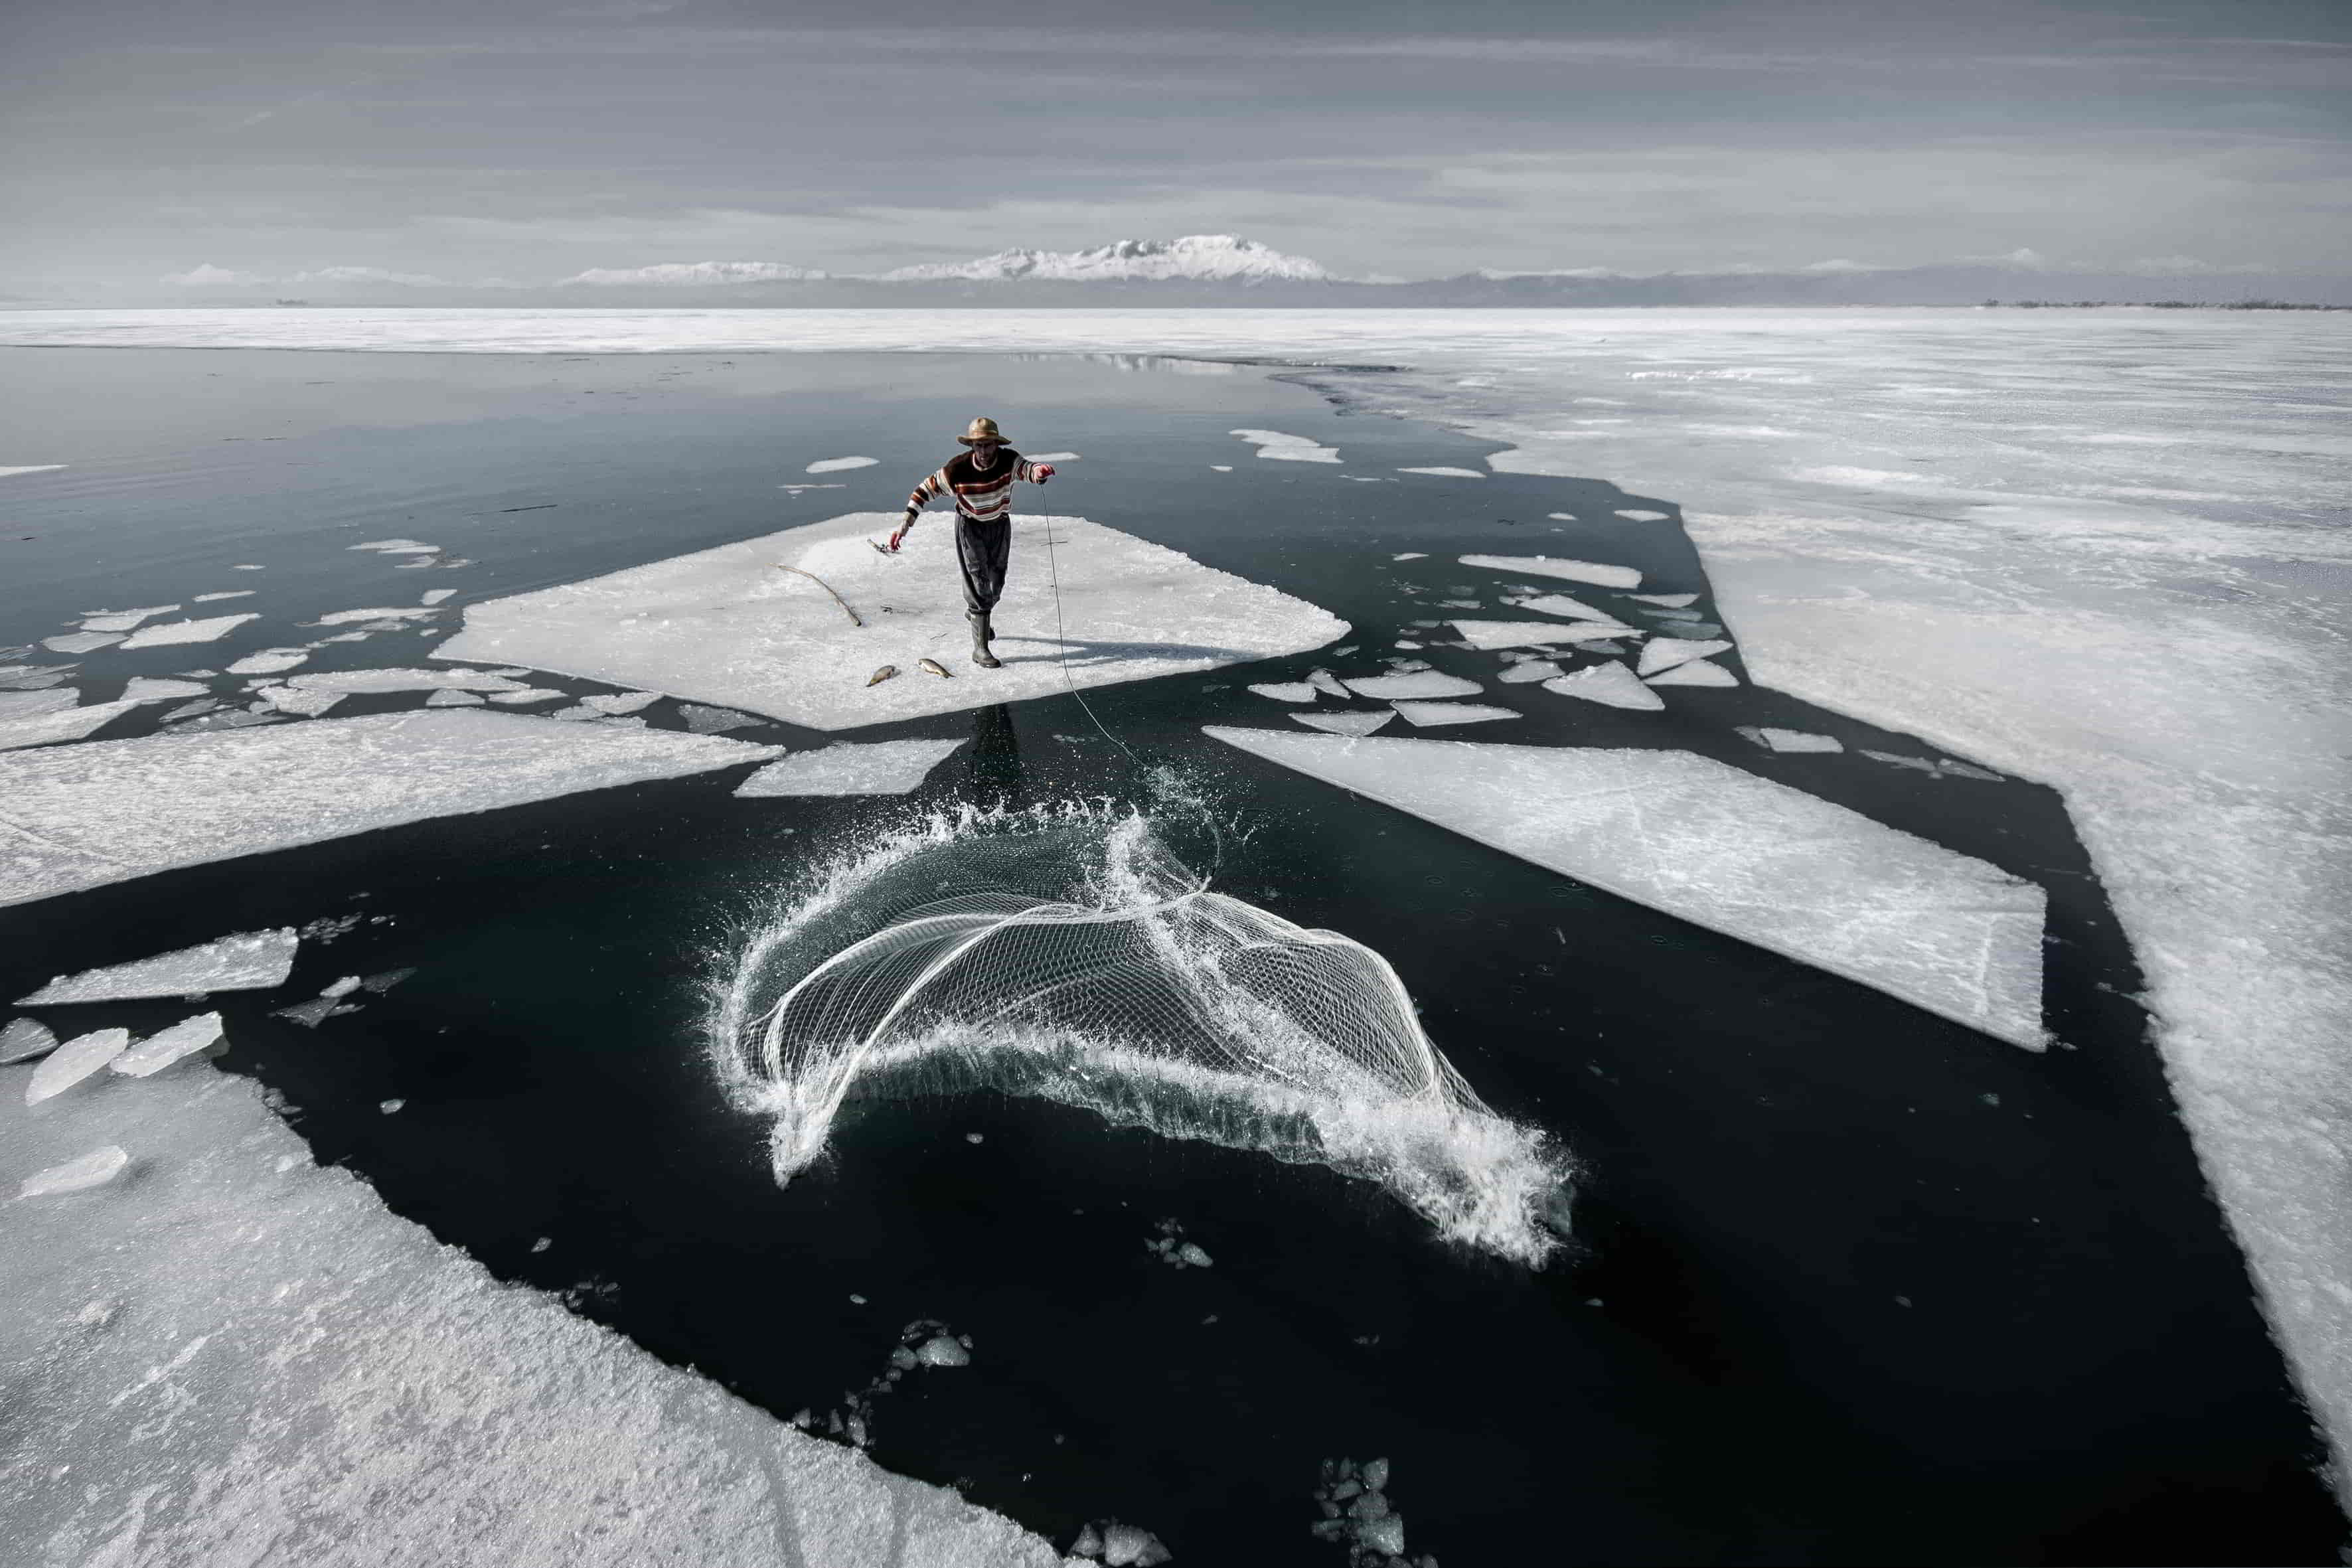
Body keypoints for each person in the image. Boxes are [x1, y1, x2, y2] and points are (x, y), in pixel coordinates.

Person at [888, 416, 1055, 668]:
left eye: (988, 445)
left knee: (996, 584)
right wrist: (904, 526)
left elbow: (1027, 470)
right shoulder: (957, 470)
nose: (984, 451)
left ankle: (977, 614)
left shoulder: (1008, 460)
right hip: (970, 528)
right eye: (979, 446)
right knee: (978, 585)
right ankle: (981, 649)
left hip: (999, 524)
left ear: (997, 444)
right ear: (971, 447)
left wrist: (1039, 472)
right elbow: (924, 491)